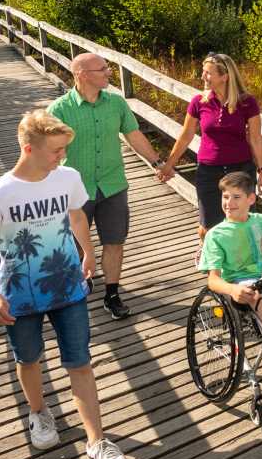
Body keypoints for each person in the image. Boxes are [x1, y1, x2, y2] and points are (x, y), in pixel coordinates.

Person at [0, 109, 126, 459]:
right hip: (20, 295)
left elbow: (77, 216)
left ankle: (96, 442)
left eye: (64, 149)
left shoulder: (68, 177)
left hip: (68, 287)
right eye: (56, 150)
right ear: (29, 149)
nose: (63, 156)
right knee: (28, 358)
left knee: (80, 361)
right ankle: (39, 412)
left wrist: (88, 251)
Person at [49, 52, 171, 319]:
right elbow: (46, 150)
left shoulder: (116, 103)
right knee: (74, 244)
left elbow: (133, 134)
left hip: (113, 185)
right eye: (102, 69)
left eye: (108, 68)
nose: (108, 72)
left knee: (114, 242)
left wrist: (157, 162)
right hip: (75, 190)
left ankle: (112, 295)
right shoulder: (59, 110)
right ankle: (79, 282)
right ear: (82, 75)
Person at [158, 52, 262, 234]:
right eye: (203, 71)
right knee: (207, 227)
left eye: (208, 73)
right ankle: (209, 252)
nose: (203, 76)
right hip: (208, 172)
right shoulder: (199, 102)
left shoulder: (247, 102)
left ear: (225, 77)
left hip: (240, 171)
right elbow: (186, 135)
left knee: (242, 225)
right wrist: (169, 164)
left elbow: (256, 139)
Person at [199, 170, 262, 368]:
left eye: (236, 197)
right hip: (241, 279)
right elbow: (212, 280)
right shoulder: (216, 235)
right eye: (225, 197)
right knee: (254, 294)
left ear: (251, 199)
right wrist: (232, 289)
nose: (229, 202)